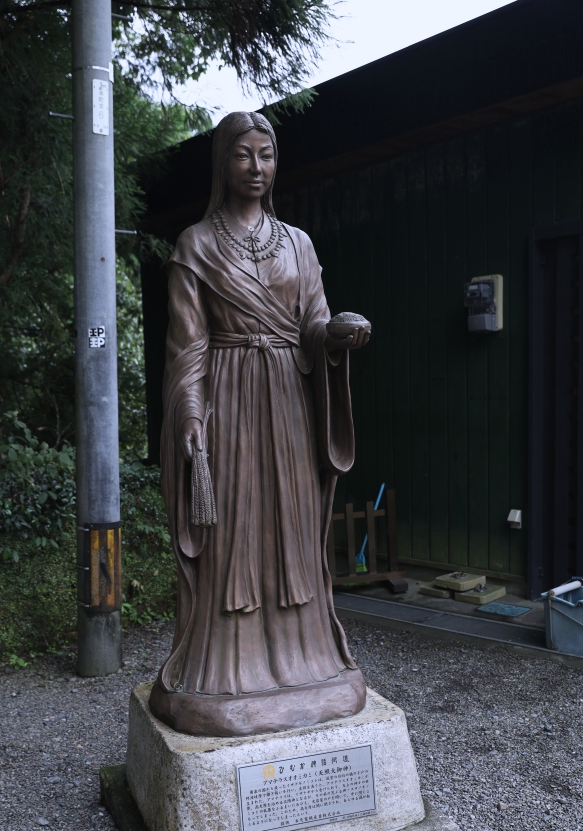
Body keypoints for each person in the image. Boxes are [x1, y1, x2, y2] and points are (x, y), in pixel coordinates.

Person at [148, 111, 372, 736]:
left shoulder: (298, 243)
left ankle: (309, 659)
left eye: (267, 155)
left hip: (291, 401)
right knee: (234, 529)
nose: (256, 167)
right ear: (223, 163)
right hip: (228, 399)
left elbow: (313, 323)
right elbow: (186, 346)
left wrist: (337, 333)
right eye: (243, 155)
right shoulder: (197, 243)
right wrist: (189, 410)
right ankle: (225, 668)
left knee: (294, 525)